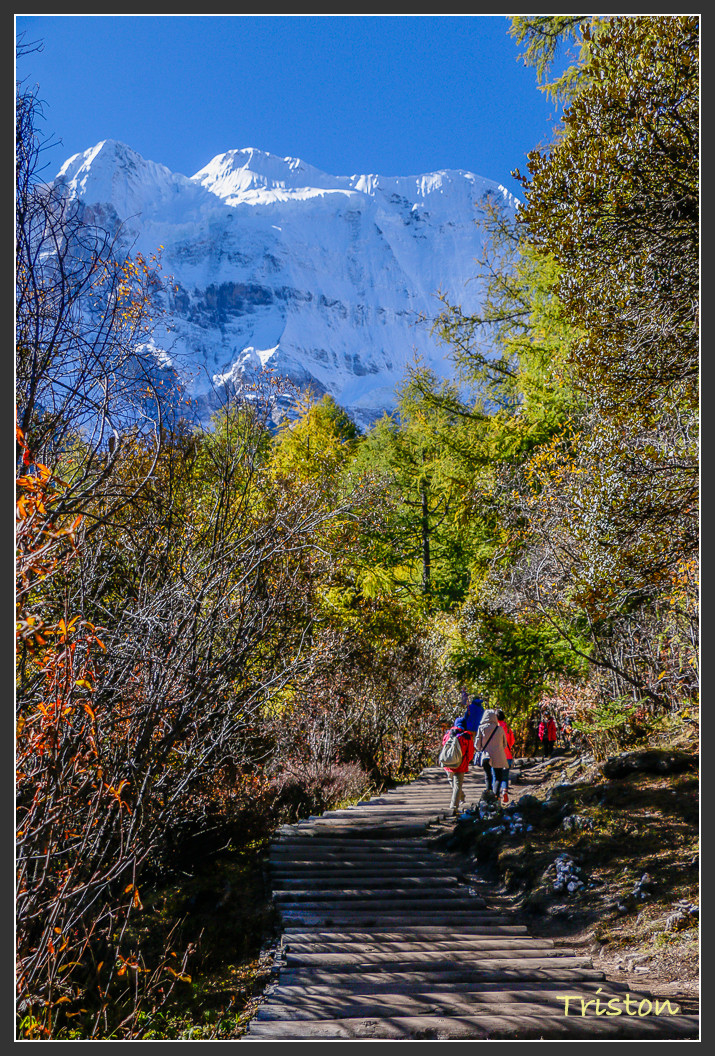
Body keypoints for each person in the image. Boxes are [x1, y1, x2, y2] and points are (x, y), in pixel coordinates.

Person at [440, 717, 475, 816]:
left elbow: (444, 745)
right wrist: (467, 761)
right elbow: (471, 752)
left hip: (448, 763)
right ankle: (454, 807)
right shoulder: (467, 736)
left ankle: (460, 796)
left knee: (452, 782)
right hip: (461, 764)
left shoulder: (448, 734)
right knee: (457, 785)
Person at [474, 708, 509, 806]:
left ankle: (488, 797)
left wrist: (482, 749)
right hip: (498, 755)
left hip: (486, 755)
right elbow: (505, 744)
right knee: (498, 777)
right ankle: (496, 797)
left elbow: (477, 744)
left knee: (487, 776)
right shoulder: (499, 729)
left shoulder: (481, 728)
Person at [496, 709, 515, 803]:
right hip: (507, 755)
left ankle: (497, 795)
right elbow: (512, 742)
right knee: (505, 776)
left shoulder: (494, 728)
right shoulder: (507, 728)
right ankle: (504, 791)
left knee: (496, 776)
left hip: (497, 756)